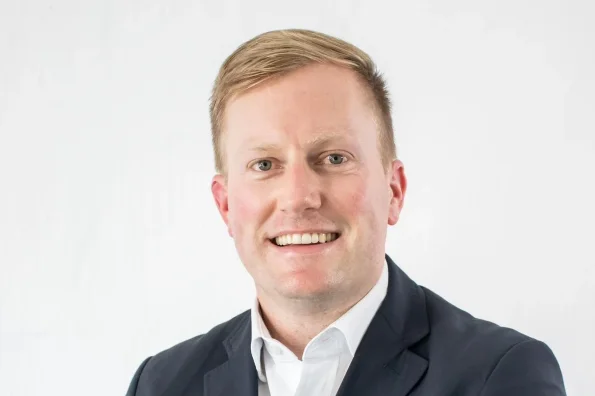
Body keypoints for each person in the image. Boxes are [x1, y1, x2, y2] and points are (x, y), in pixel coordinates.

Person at [126, 29, 566, 396]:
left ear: (394, 190)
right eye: (265, 165)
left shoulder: (502, 376)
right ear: (224, 205)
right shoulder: (161, 383)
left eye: (334, 158)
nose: (298, 197)